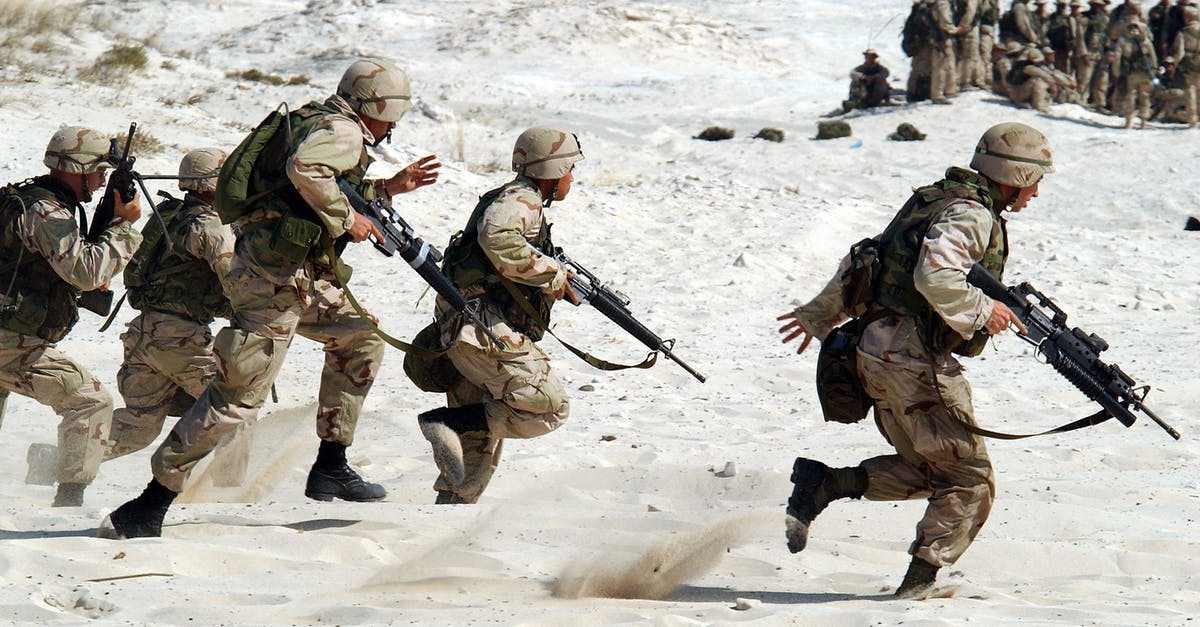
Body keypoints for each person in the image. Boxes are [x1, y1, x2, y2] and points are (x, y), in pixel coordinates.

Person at [100, 57, 441, 539]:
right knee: (237, 399)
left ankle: (331, 463)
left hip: (298, 277)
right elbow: (307, 170)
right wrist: (349, 220)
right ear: (377, 106)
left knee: (360, 337)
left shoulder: (318, 121)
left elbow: (307, 188)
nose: (392, 126)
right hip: (272, 283)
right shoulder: (341, 131)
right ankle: (147, 505)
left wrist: (387, 189)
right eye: (392, 115)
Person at [777, 122, 1055, 599]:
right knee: (969, 480)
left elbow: (871, 260)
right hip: (912, 360)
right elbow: (934, 278)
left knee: (934, 470)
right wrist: (987, 310)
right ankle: (919, 584)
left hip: (875, 351)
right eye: (1035, 181)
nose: (1035, 194)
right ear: (1015, 174)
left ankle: (825, 483)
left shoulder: (933, 200)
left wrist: (821, 313)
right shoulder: (971, 214)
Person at [415, 127, 582, 505]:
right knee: (550, 405)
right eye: (569, 170)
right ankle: (443, 422)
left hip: (466, 330)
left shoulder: (513, 198)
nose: (571, 178)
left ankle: (445, 523)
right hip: (481, 331)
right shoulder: (522, 199)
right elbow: (498, 236)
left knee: (474, 448)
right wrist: (552, 275)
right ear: (552, 171)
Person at [0, 126, 142, 506]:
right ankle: (69, 499)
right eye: (97, 173)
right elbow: (85, 272)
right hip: (11, 341)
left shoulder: (28, 199)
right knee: (90, 402)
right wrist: (123, 227)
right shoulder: (47, 212)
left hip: (10, 333)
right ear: (78, 168)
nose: (99, 183)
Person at [103, 148, 249, 484]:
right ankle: (233, 490)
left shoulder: (168, 215)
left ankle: (61, 457)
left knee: (139, 425)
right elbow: (236, 282)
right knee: (237, 405)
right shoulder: (210, 226)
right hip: (180, 339)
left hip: (143, 333)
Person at [1114, 21, 1160, 127]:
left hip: (1131, 72)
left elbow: (1117, 57)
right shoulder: (1145, 40)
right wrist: (1154, 69)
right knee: (1145, 96)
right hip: (1145, 72)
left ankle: (1128, 121)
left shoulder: (1123, 40)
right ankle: (1143, 121)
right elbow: (1153, 56)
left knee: (1131, 95)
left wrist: (1116, 71)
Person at [1171, 5, 1200, 126]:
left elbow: (1179, 52)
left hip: (1189, 64)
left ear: (1187, 18)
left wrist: (1175, 64)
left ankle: (1192, 119)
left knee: (1190, 91)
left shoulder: (1183, 32)